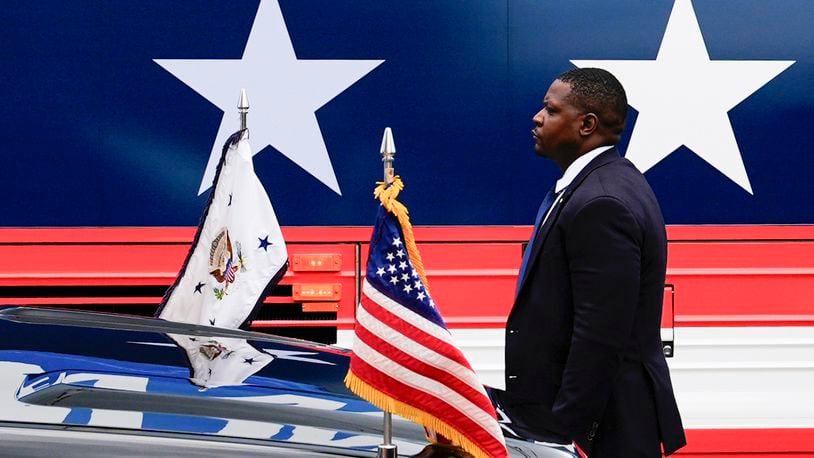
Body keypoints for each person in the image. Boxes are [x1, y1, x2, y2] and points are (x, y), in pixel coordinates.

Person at [502, 67, 686, 457]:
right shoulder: (598, 185)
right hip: (600, 422)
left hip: (604, 431)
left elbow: (599, 335)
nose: (537, 118)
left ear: (586, 124)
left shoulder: (601, 202)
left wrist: (561, 436)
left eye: (551, 110)